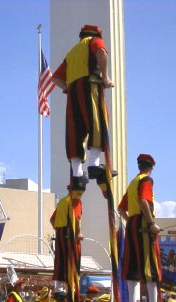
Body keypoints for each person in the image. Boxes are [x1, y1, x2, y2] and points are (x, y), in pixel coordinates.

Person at [52, 24, 115, 191]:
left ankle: (78, 174)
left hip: (72, 92)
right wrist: (105, 77)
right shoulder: (93, 42)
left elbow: (55, 78)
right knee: (97, 123)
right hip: (90, 86)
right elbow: (101, 52)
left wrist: (67, 87)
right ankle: (94, 165)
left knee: (75, 132)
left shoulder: (72, 53)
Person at [118, 154, 162, 302]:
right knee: (150, 266)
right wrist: (151, 223)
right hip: (144, 224)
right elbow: (144, 201)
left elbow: (121, 209)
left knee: (132, 266)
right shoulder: (146, 181)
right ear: (150, 167)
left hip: (132, 226)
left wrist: (131, 222)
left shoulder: (132, 183)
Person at [50, 186, 83, 287]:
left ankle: (59, 290)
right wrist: (79, 233)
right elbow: (77, 219)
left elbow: (52, 220)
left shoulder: (61, 202)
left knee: (60, 261)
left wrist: (58, 230)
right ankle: (72, 289)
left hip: (60, 234)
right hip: (70, 233)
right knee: (73, 260)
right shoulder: (75, 201)